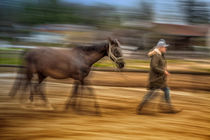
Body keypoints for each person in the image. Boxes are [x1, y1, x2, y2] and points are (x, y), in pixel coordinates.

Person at [137, 39, 179, 114]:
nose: (166, 48)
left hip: (159, 79)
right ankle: (167, 108)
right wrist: (164, 71)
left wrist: (164, 71)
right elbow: (154, 66)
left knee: (165, 90)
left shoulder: (160, 55)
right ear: (160, 47)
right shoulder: (156, 55)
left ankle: (166, 108)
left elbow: (160, 65)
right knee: (156, 92)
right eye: (164, 47)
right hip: (156, 79)